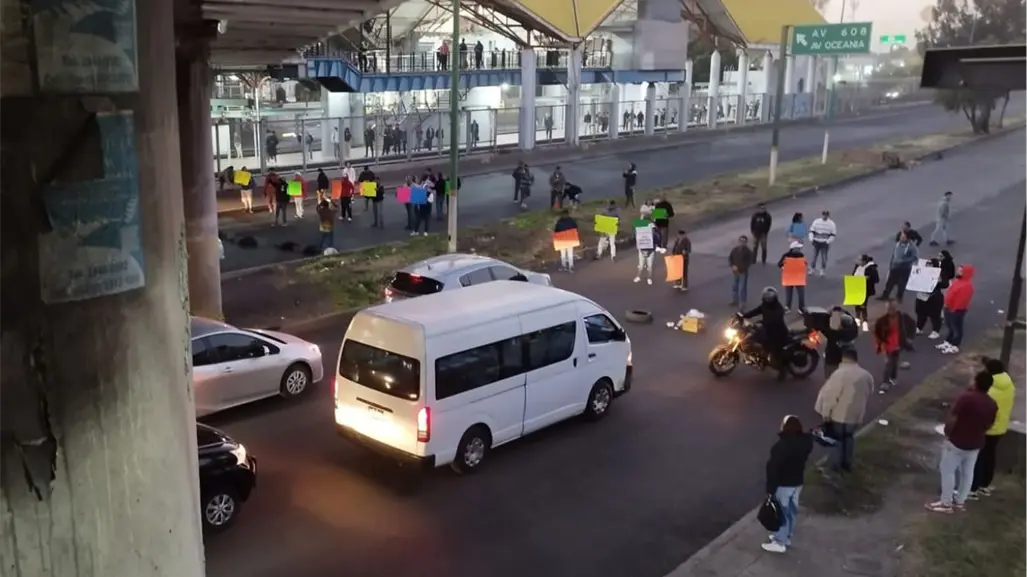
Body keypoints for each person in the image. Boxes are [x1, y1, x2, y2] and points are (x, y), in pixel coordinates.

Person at [925, 371, 997, 513]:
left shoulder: (966, 398)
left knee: (947, 470)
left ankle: (946, 503)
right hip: (976, 443)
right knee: (968, 472)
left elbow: (954, 416)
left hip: (957, 441)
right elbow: (990, 424)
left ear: (976, 382)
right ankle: (960, 501)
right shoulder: (992, 403)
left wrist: (948, 432)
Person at [814, 348, 874, 475]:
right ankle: (847, 463)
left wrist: (826, 413)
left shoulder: (839, 374)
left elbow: (831, 396)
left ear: (843, 358)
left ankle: (834, 467)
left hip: (840, 415)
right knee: (849, 438)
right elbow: (870, 391)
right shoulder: (866, 375)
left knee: (836, 440)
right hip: (857, 415)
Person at [761, 415, 813, 554]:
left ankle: (780, 541)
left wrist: (770, 490)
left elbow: (773, 469)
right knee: (790, 511)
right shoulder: (805, 443)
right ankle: (786, 536)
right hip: (797, 482)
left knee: (782, 512)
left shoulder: (781, 447)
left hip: (784, 484)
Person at [970, 358, 1015, 499]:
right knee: (990, 456)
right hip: (1000, 427)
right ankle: (985, 485)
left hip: (986, 428)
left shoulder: (990, 390)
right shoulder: (1009, 384)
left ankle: (973, 488)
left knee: (978, 458)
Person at [740, 287, 789, 381]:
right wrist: (744, 316)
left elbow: (773, 321)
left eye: (767, 298)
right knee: (753, 337)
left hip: (777, 334)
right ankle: (758, 357)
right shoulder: (765, 305)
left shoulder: (778, 309)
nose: (766, 300)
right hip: (768, 330)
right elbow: (757, 310)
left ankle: (782, 370)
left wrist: (761, 323)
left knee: (774, 353)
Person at [873, 299, 912, 392]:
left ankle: (893, 377)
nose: (890, 310)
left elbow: (908, 327)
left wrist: (908, 338)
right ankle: (885, 382)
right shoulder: (882, 320)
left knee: (894, 362)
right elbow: (877, 334)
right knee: (889, 363)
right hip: (887, 345)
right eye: (889, 308)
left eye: (892, 308)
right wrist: (879, 346)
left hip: (897, 344)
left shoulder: (901, 317)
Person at [938, 264, 975, 354]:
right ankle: (949, 342)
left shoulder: (967, 285)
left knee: (956, 327)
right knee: (950, 325)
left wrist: (953, 308)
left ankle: (955, 345)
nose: (958, 272)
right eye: (958, 270)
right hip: (948, 307)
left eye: (961, 271)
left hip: (957, 310)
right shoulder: (956, 281)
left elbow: (962, 300)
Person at [879, 231, 919, 303]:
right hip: (895, 267)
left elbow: (915, 258)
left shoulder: (912, 247)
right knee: (889, 282)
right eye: (901, 236)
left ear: (908, 238)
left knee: (902, 283)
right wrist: (891, 265)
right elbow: (893, 255)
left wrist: (904, 261)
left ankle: (899, 297)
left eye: (903, 237)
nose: (901, 238)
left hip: (905, 268)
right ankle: (885, 295)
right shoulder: (897, 244)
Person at [821, 307, 859, 378]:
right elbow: (854, 324)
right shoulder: (852, 333)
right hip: (848, 361)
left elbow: (823, 326)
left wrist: (828, 315)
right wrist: (845, 312)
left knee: (831, 380)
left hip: (832, 361)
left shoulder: (832, 333)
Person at [915, 256, 946, 340]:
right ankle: (919, 328)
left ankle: (935, 331)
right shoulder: (921, 273)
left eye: (930, 265)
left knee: (935, 315)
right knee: (921, 314)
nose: (928, 266)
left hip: (934, 297)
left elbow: (945, 284)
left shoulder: (940, 273)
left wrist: (936, 282)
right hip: (921, 296)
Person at [851, 254, 879, 332]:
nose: (857, 261)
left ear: (864, 261)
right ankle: (857, 319)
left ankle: (865, 322)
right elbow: (853, 274)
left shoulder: (871, 268)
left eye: (859, 260)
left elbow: (876, 279)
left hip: (866, 289)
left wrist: (867, 278)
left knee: (863, 305)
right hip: (857, 288)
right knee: (856, 304)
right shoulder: (857, 266)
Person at [777, 241, 807, 312]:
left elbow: (804, 264)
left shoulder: (801, 255)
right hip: (789, 277)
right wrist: (783, 266)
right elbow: (779, 264)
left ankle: (801, 308)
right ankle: (787, 307)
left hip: (798, 278)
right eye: (798, 248)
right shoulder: (786, 255)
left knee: (801, 294)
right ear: (793, 248)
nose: (800, 249)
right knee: (788, 294)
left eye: (800, 248)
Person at [808, 210, 836, 276]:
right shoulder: (816, 222)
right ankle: (812, 268)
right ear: (822, 215)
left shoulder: (831, 224)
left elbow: (833, 234)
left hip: (825, 243)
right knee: (814, 256)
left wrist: (828, 241)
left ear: (828, 215)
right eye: (824, 214)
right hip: (816, 241)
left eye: (826, 215)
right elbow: (812, 231)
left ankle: (822, 270)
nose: (825, 216)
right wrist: (811, 239)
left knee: (824, 257)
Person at [728, 235, 753, 308]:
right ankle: (735, 300)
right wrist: (732, 265)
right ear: (739, 242)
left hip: (743, 272)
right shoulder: (735, 250)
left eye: (743, 242)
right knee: (734, 286)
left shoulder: (748, 252)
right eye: (741, 241)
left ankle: (742, 302)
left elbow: (749, 263)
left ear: (746, 243)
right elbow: (730, 258)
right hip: (735, 272)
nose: (742, 243)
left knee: (742, 288)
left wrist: (740, 268)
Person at [633, 221, 659, 285]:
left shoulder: (655, 236)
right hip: (641, 252)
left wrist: (657, 248)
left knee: (649, 266)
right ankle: (638, 276)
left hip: (651, 252)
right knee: (641, 265)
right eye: (651, 229)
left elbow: (657, 244)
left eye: (653, 229)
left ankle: (649, 278)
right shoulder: (641, 234)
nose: (652, 230)